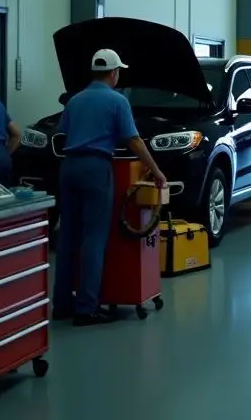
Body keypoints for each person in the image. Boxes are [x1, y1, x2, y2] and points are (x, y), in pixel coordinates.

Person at [53, 48, 167, 327]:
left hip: (69, 168)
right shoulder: (117, 101)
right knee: (94, 237)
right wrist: (156, 170)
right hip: (96, 169)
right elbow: (134, 141)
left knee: (67, 236)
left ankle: (62, 305)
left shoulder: (75, 101)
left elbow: (63, 132)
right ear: (114, 73)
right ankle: (87, 308)